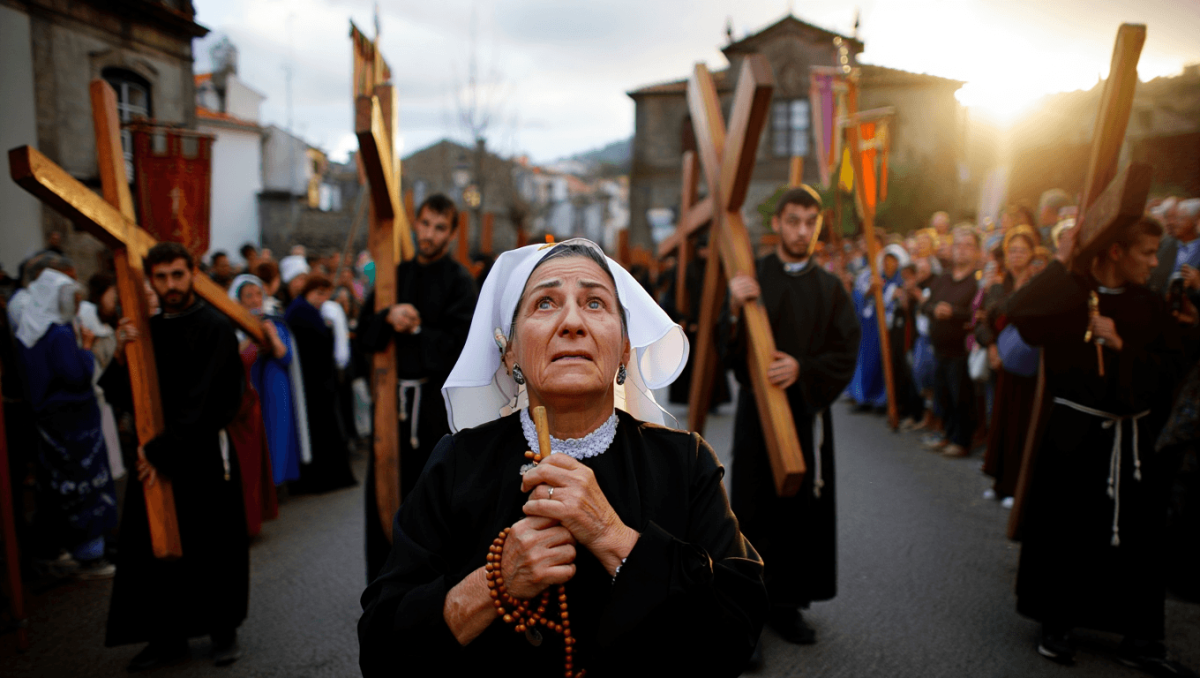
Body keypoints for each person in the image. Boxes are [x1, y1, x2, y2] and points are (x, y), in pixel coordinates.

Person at [358, 239, 767, 677]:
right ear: (509, 351)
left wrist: (612, 537)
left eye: (594, 303)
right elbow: (382, 651)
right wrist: (494, 582)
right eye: (545, 303)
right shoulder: (458, 463)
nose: (572, 322)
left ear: (625, 349)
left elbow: (735, 633)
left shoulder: (684, 463)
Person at [1005, 218, 1196, 675]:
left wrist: (1121, 343)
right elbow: (1018, 312)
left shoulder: (1150, 305)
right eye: (1147, 252)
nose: (1155, 262)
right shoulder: (1069, 293)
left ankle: (1140, 637)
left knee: (1137, 537)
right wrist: (1061, 260)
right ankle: (1058, 623)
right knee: (1067, 526)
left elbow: (1174, 371)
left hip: (1131, 438)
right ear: (1115, 252)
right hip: (1074, 431)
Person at [720, 186, 860, 654]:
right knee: (751, 507)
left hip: (804, 418)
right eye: (794, 221)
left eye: (810, 223)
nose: (802, 231)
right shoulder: (752, 279)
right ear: (777, 224)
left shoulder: (830, 289)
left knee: (799, 514)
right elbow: (728, 352)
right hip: (757, 419)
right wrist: (735, 311)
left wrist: (803, 368)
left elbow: (845, 353)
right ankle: (749, 615)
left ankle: (788, 606)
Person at [100, 242, 248, 669]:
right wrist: (121, 351)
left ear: (192, 274)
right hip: (159, 459)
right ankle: (168, 636)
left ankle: (223, 631)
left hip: (201, 456)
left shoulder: (216, 327)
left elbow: (204, 400)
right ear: (150, 279)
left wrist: (161, 449)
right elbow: (119, 394)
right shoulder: (148, 328)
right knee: (157, 550)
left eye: (177, 275)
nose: (170, 286)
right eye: (161, 277)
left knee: (213, 547)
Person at [357, 194, 477, 581]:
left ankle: (430, 584)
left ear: (452, 233)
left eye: (439, 228)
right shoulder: (394, 275)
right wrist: (387, 315)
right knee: (384, 491)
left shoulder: (459, 282)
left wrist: (419, 329)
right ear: (415, 223)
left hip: (433, 411)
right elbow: (363, 331)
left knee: (432, 496)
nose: (429, 234)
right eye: (425, 224)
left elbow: (464, 347)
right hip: (391, 406)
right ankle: (382, 580)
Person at [14, 267, 118, 578]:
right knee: (83, 486)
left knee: (58, 487)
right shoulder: (58, 334)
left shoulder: (28, 331)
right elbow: (77, 375)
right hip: (74, 423)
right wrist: (86, 350)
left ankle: (59, 550)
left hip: (50, 420)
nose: (73, 303)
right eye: (68, 297)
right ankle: (88, 554)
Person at [979, 227, 1040, 506]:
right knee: (1000, 421)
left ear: (1031, 254)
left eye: (1022, 250)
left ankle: (1017, 487)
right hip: (1000, 363)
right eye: (1012, 250)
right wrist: (992, 347)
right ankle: (999, 481)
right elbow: (983, 323)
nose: (1016, 255)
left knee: (1020, 424)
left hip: (1026, 365)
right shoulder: (998, 286)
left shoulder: (1037, 285)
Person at [286, 273, 357, 494]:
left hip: (318, 381)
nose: (321, 299)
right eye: (318, 293)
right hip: (312, 383)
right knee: (320, 432)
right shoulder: (301, 311)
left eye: (324, 295)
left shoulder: (307, 309)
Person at [226, 275, 280, 536]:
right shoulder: (230, 328)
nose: (255, 300)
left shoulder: (262, 323)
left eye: (258, 294)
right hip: (234, 407)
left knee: (255, 466)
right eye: (249, 296)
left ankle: (254, 519)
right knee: (240, 467)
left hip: (252, 402)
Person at [921, 225, 981, 458]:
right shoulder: (943, 278)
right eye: (958, 245)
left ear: (976, 251)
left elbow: (977, 313)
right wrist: (935, 308)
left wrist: (953, 312)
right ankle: (946, 434)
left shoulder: (976, 282)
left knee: (961, 397)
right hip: (939, 348)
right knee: (943, 394)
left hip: (961, 350)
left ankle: (961, 440)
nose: (962, 250)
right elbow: (925, 304)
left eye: (968, 246)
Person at [847, 243, 909, 413]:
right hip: (870, 327)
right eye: (887, 260)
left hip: (891, 329)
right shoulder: (873, 276)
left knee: (885, 363)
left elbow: (902, 302)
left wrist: (895, 294)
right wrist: (870, 290)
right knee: (867, 360)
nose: (889, 264)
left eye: (893, 261)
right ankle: (863, 397)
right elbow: (859, 297)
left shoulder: (901, 280)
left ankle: (882, 400)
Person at [1148, 197, 1200, 293]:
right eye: (1175, 218)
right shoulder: (1165, 243)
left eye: (1181, 219)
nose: (1174, 223)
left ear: (1195, 221)